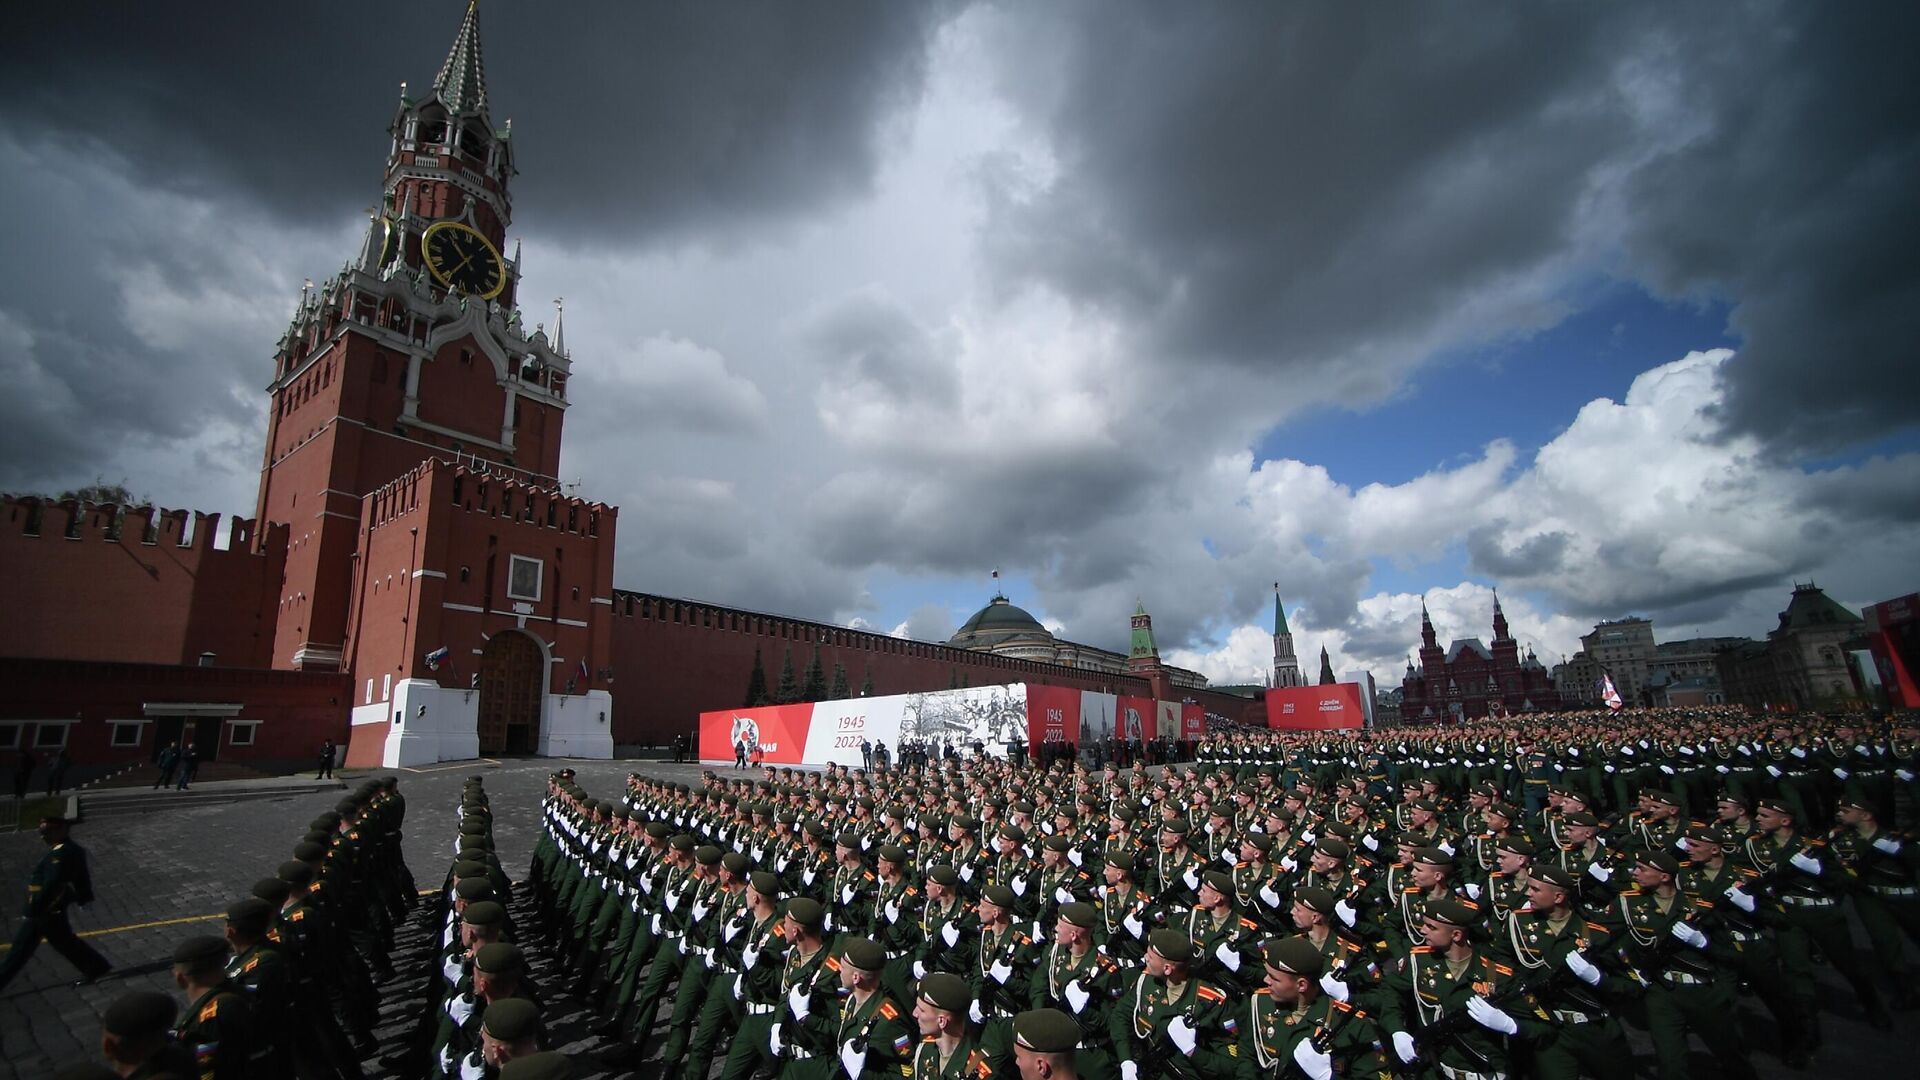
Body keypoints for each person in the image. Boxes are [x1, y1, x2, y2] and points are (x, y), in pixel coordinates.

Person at [0, 814, 112, 991]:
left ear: (62, 830)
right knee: (63, 943)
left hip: (46, 908)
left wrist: (33, 908)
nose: (44, 836)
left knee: (21, 950)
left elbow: (53, 883)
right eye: (42, 832)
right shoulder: (70, 849)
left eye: (48, 831)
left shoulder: (61, 853)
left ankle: (97, 967)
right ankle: (97, 966)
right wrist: (84, 896)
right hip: (49, 909)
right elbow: (81, 877)